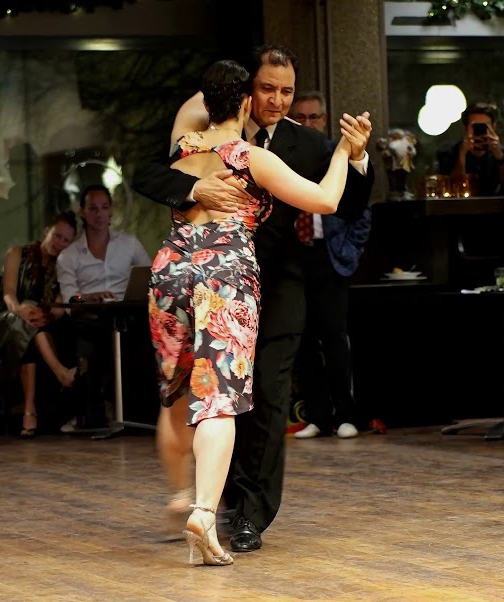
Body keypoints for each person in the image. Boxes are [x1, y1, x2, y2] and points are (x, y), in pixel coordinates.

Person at [134, 44, 375, 554]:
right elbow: (327, 201)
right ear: (247, 94)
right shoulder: (236, 147)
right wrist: (197, 189)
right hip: (227, 278)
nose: (279, 100)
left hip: (211, 273)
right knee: (214, 400)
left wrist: (353, 156)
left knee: (228, 397)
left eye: (288, 91)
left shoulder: (200, 140)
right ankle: (206, 508)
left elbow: (349, 202)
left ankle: (222, 505)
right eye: (268, 89)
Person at [288, 93, 372, 440]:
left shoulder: (333, 155)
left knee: (335, 338)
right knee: (303, 340)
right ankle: (318, 417)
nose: (307, 124)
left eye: (313, 118)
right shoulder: (285, 157)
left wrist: (350, 252)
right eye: (301, 118)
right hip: (294, 256)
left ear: (324, 120)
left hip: (331, 256)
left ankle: (346, 415)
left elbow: (362, 210)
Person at [57, 184, 151, 428]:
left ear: (111, 211)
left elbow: (152, 276)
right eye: (93, 208)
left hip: (128, 313)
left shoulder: (129, 244)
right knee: (89, 342)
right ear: (82, 213)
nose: (99, 214)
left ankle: (137, 414)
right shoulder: (69, 255)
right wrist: (89, 298)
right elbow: (70, 301)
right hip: (91, 318)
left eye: (104, 208)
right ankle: (99, 412)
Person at [0, 212, 79, 439]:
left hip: (38, 325)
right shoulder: (17, 253)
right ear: (47, 231)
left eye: (66, 240)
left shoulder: (64, 265)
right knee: (28, 315)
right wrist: (20, 310)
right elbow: (8, 294)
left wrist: (47, 316)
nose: (60, 243)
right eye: (57, 236)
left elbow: (58, 304)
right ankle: (61, 373)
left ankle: (29, 412)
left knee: (34, 329)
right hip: (5, 320)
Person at [438, 102, 504, 196]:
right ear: (466, 128)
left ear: (493, 127)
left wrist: (500, 157)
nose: (479, 132)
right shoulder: (450, 154)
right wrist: (462, 155)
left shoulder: (503, 153)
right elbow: (452, 188)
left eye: (484, 126)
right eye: (475, 127)